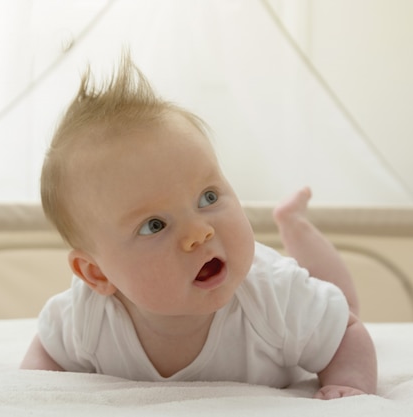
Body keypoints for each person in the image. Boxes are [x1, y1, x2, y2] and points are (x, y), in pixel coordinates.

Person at [20, 54, 377, 400]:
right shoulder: (87, 318)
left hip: (295, 294)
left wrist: (349, 385)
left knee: (343, 304)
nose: (199, 232)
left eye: (208, 197)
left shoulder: (274, 297)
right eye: (155, 225)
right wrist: (32, 397)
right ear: (96, 273)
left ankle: (295, 226)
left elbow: (346, 332)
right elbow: (46, 356)